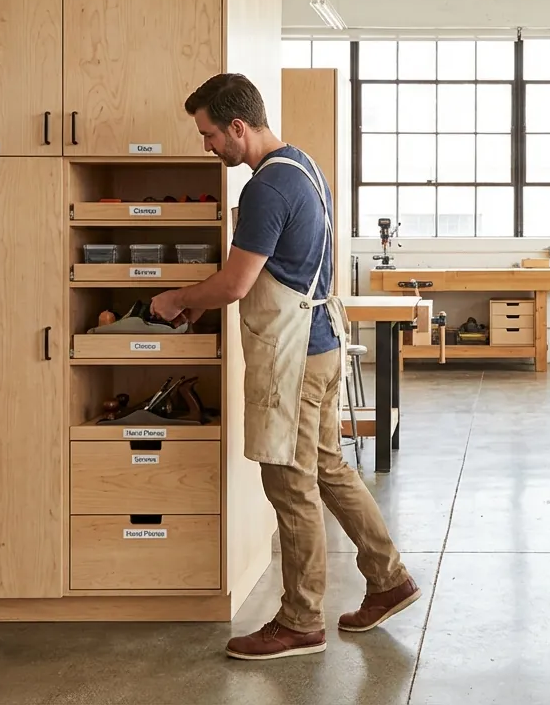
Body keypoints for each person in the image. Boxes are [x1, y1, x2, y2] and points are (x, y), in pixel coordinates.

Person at [150, 73, 419, 661]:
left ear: (237, 126)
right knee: (328, 467)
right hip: (320, 343)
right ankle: (389, 579)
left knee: (290, 483)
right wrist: (202, 300)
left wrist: (176, 299)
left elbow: (235, 283)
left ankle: (300, 621)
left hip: (292, 356)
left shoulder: (267, 188)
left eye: (209, 134)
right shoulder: (303, 167)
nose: (207, 146)